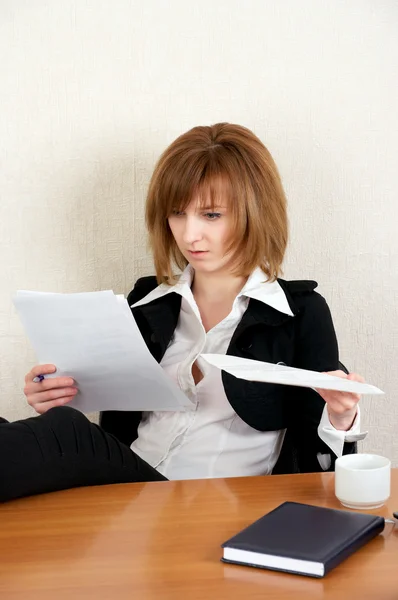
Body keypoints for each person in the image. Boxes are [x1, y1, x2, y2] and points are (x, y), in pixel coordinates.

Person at [0, 123, 365, 503]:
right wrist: (56, 394)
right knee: (54, 427)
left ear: (254, 211)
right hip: (124, 492)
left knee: (67, 432)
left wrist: (341, 419)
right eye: (177, 213)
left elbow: (318, 459)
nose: (189, 235)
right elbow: (109, 421)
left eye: (210, 215)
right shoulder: (147, 301)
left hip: (213, 505)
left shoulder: (300, 313)